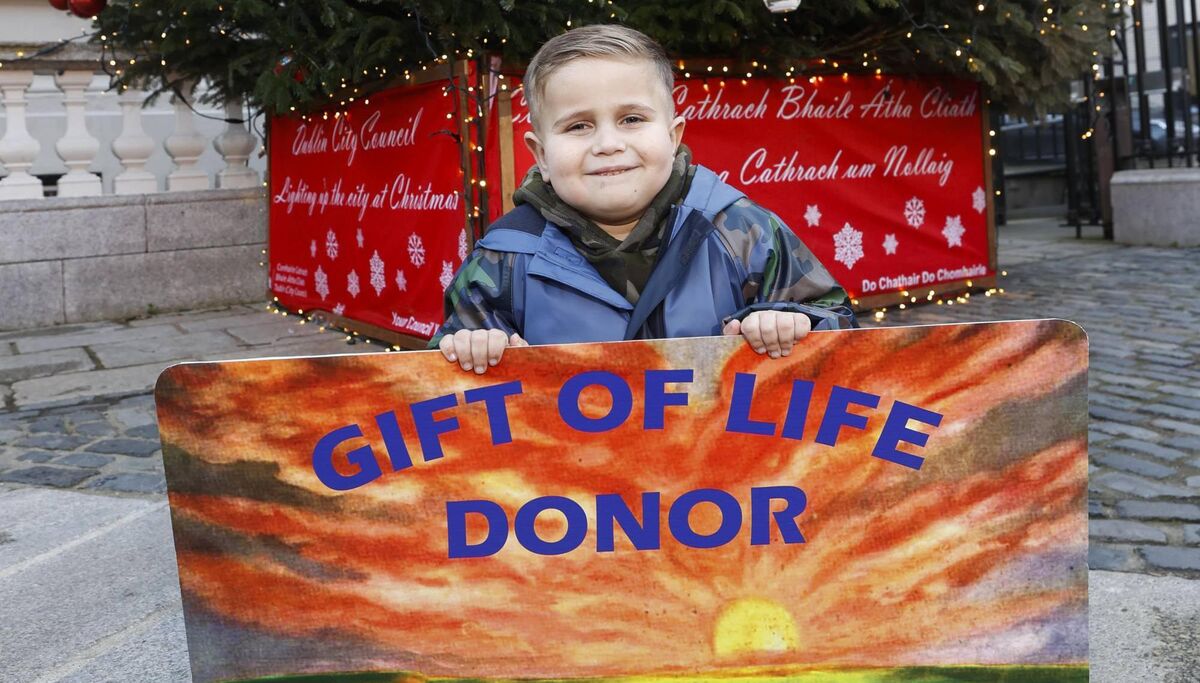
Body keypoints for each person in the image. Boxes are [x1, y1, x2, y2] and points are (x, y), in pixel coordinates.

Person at [434, 24, 856, 374]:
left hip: (719, 462)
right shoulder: (505, 256)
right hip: (573, 466)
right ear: (541, 155)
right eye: (578, 126)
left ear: (673, 137)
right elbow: (433, 373)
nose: (607, 143)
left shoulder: (742, 232)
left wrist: (793, 323)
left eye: (631, 119)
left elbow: (842, 327)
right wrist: (471, 346)